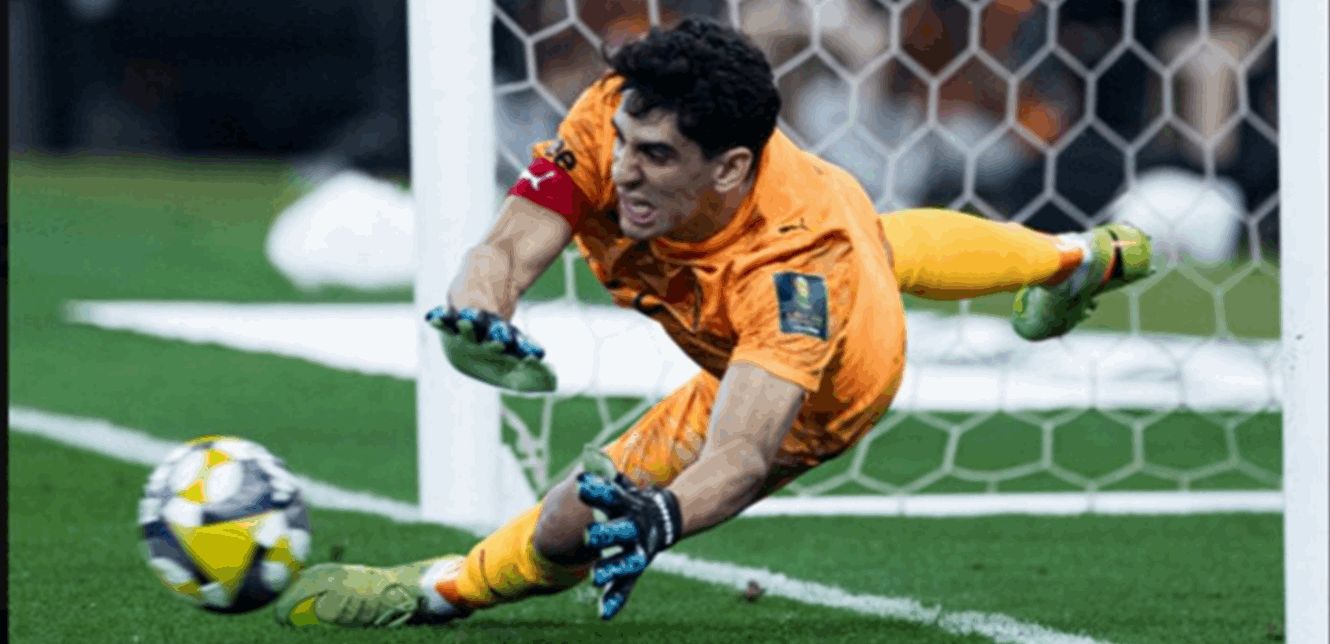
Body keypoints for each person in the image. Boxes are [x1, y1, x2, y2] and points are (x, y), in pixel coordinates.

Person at [273, 17, 1151, 628]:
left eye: (655, 157)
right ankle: (1079, 256)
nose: (623, 170)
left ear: (728, 168)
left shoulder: (794, 279)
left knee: (566, 527)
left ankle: (441, 590)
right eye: (625, 141)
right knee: (880, 242)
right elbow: (509, 242)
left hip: (832, 379)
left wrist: (659, 518)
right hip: (835, 226)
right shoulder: (619, 114)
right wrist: (479, 309)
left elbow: (740, 453)